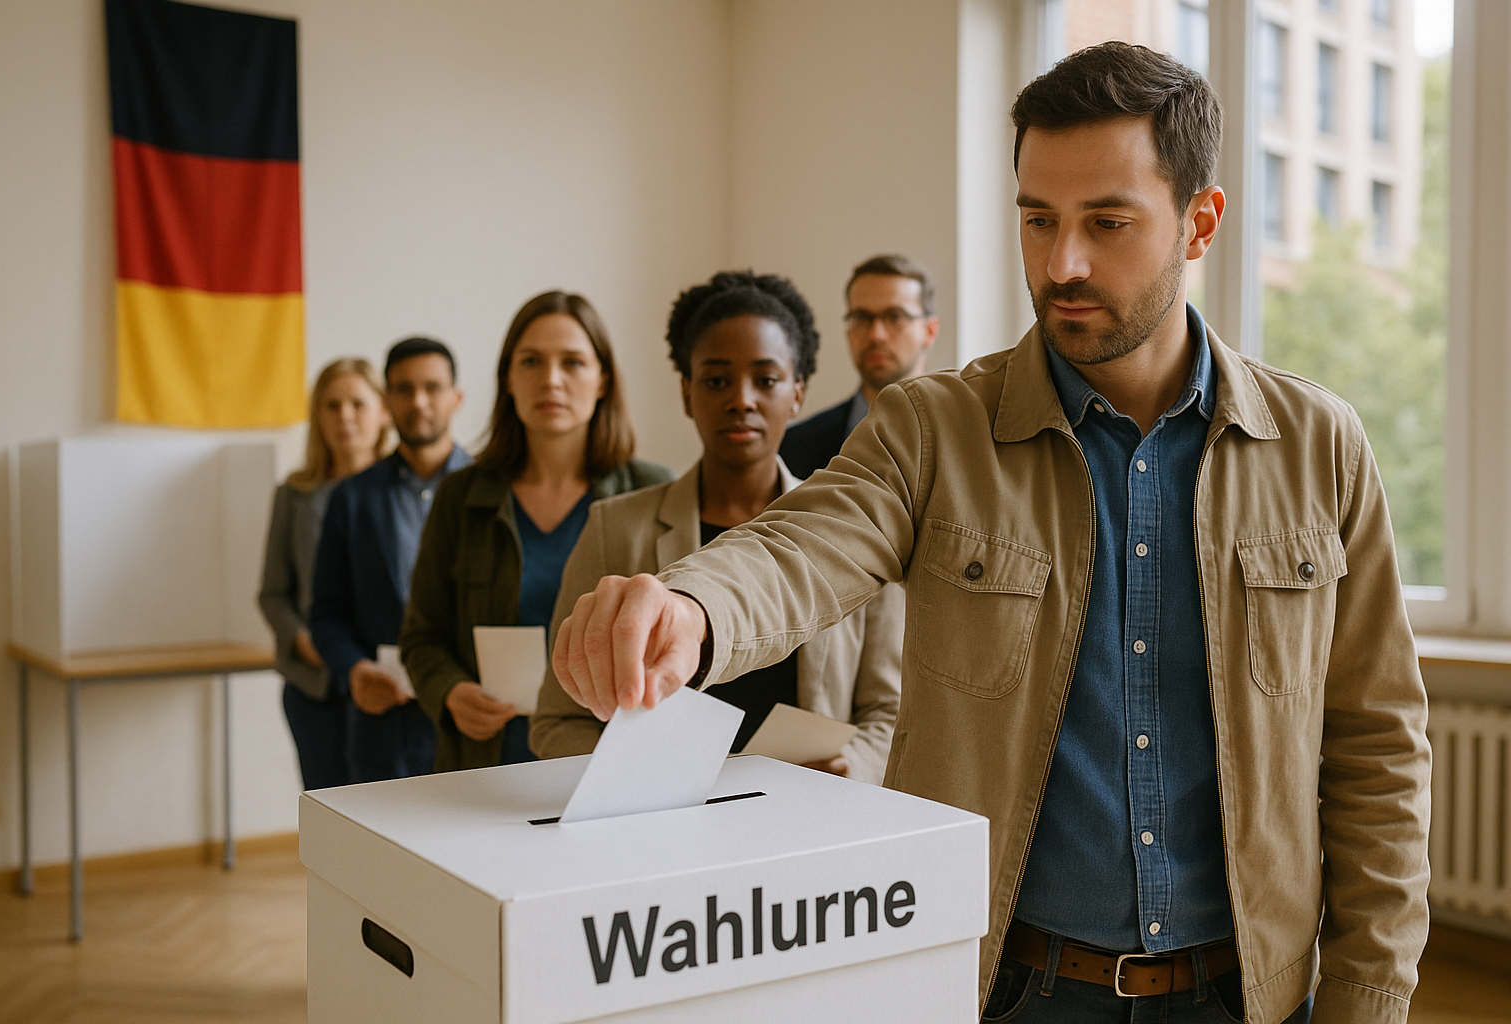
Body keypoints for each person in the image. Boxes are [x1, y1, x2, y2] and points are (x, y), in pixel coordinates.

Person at [550, 42, 1430, 1024]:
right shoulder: (933, 431)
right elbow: (801, 547)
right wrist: (688, 605)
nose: (1062, 264)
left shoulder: (1320, 447)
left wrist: (1365, 999)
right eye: (1037, 219)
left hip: (1245, 997)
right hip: (1008, 989)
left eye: (1107, 222)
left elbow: (1378, 752)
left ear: (1201, 222)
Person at [530, 272, 902, 781]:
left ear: (797, 393)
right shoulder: (614, 529)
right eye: (717, 380)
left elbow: (889, 712)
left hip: (806, 819)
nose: (742, 399)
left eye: (766, 380)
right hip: (661, 826)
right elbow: (556, 722)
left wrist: (849, 767)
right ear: (686, 393)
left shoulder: (847, 532)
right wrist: (633, 773)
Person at [399, 291, 670, 773]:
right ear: (507, 378)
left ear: (603, 378)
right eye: (531, 362)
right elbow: (422, 637)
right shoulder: (459, 497)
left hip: (608, 763)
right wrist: (451, 692)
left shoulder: (654, 492)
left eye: (573, 362)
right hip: (485, 763)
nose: (551, 380)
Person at [310, 337, 472, 783]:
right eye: (403, 389)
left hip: (473, 722)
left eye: (432, 387)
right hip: (384, 727)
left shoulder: (492, 491)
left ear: (456, 398)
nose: (418, 401)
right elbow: (325, 612)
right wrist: (354, 670)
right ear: (387, 402)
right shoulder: (352, 497)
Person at [258, 358, 391, 790]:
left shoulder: (405, 494)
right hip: (316, 685)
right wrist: (303, 640)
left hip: (391, 684)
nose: (345, 416)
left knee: (392, 818)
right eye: (332, 405)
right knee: (329, 816)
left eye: (358, 403)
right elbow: (273, 593)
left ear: (383, 410)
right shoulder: (295, 495)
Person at [778, 253, 939, 479]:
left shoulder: (963, 438)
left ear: (930, 331)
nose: (876, 335)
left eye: (895, 317)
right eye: (862, 318)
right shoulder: (795, 447)